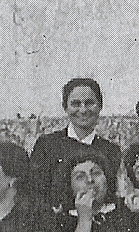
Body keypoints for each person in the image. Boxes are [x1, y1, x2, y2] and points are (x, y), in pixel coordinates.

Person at [30, 78, 123, 210]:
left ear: (100, 106)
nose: (83, 110)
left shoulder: (111, 150)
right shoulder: (47, 145)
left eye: (89, 103)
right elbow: (35, 193)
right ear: (65, 107)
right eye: (76, 104)